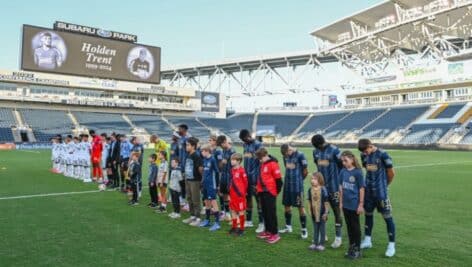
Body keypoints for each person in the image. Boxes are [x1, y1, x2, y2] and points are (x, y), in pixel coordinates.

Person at [357, 139, 396, 257]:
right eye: (363, 152)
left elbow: (391, 173)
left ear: (370, 146)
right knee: (368, 214)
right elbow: (366, 169)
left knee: (387, 217)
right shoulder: (363, 155)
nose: (365, 153)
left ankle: (391, 245)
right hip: (368, 192)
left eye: (366, 151)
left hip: (381, 193)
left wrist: (385, 185)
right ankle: (368, 240)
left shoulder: (383, 155)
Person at [311, 134, 343, 248]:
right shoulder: (315, 152)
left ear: (321, 144)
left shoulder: (335, 150)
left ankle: (338, 237)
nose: (317, 149)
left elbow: (342, 166)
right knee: (320, 211)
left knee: (336, 212)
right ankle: (322, 234)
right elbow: (318, 168)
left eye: (317, 146)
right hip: (321, 188)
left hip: (334, 187)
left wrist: (340, 183)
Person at [339, 150, 365, 260]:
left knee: (355, 228)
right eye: (342, 161)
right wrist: (340, 202)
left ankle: (357, 250)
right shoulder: (342, 171)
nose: (344, 163)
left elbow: (361, 189)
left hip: (354, 205)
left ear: (352, 159)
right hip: (345, 204)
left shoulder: (358, 172)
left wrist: (360, 204)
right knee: (349, 227)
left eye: (346, 160)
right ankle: (351, 247)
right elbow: (340, 187)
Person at [279, 144, 309, 239]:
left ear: (289, 149)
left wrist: (299, 180)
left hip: (297, 186)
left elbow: (305, 171)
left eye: (286, 154)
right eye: (285, 155)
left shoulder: (301, 155)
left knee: (300, 206)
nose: (286, 156)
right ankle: (288, 227)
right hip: (287, 185)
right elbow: (287, 167)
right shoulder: (285, 156)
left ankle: (304, 229)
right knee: (286, 205)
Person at [255, 147, 283, 244]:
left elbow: (279, 181)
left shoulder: (273, 164)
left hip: (270, 192)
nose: (260, 160)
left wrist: (275, 192)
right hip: (262, 192)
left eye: (261, 158)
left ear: (265, 156)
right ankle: (268, 231)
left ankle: (275, 234)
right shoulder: (263, 164)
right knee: (265, 212)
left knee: (271, 213)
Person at [239, 129, 264, 233]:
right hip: (246, 178)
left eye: (245, 139)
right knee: (248, 198)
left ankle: (262, 223)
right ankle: (249, 221)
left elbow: (263, 161)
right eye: (243, 140)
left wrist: (260, 178)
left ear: (249, 136)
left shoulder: (258, 145)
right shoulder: (245, 145)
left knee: (259, 200)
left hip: (256, 178)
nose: (244, 141)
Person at [182, 137, 203, 227]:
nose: (186, 146)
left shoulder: (196, 156)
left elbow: (200, 169)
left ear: (193, 146)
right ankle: (192, 216)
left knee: (195, 200)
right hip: (188, 179)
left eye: (188, 145)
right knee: (189, 198)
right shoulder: (188, 155)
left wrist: (201, 180)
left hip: (195, 181)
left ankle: (198, 218)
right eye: (186, 145)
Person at [199, 144, 221, 231]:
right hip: (205, 184)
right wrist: (202, 182)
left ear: (207, 151)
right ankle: (207, 220)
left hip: (211, 185)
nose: (201, 153)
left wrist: (217, 185)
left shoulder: (212, 160)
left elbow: (217, 172)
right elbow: (204, 172)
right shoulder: (204, 159)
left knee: (213, 202)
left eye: (202, 151)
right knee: (206, 202)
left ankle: (217, 223)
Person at [307, 172, 330, 251]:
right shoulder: (310, 190)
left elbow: (326, 202)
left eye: (315, 179)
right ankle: (315, 243)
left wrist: (326, 213)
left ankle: (321, 244)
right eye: (312, 179)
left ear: (320, 180)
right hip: (314, 213)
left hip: (322, 213)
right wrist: (309, 210)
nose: (312, 181)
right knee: (315, 228)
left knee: (322, 229)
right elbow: (309, 201)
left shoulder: (323, 189)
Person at [229, 153, 248, 236]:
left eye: (233, 160)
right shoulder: (232, 170)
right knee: (232, 210)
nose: (231, 161)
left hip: (240, 195)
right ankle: (234, 227)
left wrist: (242, 193)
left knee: (241, 211)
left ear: (239, 161)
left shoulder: (242, 171)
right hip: (232, 195)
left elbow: (245, 183)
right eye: (231, 160)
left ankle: (242, 228)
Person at [216, 135, 235, 222]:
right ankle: (227, 214)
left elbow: (235, 166)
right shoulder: (223, 150)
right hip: (223, 175)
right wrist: (222, 163)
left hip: (230, 176)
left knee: (231, 196)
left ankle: (234, 216)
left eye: (221, 145)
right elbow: (221, 165)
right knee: (224, 195)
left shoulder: (233, 151)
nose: (221, 147)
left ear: (224, 142)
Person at [177, 124, 191, 209]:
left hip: (187, 165)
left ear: (184, 130)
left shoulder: (188, 138)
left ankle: (188, 203)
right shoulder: (180, 139)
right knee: (182, 183)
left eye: (180, 129)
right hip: (181, 164)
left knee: (188, 184)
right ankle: (183, 199)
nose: (178, 130)